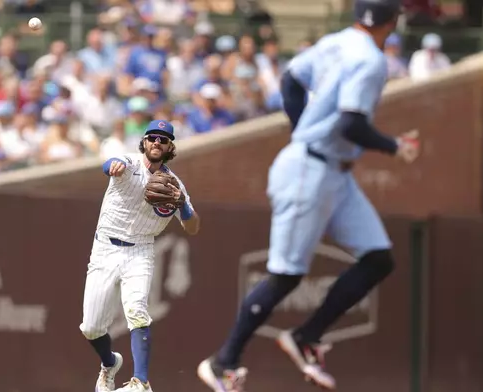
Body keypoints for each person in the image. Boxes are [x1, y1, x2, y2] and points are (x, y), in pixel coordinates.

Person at [196, 0, 421, 390]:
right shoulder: (371, 59)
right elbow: (351, 123)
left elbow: (290, 81)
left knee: (378, 258)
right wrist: (393, 145)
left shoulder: (338, 41)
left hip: (331, 171)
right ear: (391, 21)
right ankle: (222, 362)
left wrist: (304, 129)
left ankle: (306, 336)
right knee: (286, 275)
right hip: (310, 170)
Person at [80, 120, 201, 392]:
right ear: (144, 142)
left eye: (163, 139)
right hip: (106, 248)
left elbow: (193, 228)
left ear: (170, 147)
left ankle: (141, 382)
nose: (157, 142)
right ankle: (110, 363)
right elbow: (109, 163)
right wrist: (112, 166)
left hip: (140, 250)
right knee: (91, 327)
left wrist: (183, 206)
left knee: (137, 311)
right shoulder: (130, 163)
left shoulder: (175, 185)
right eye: (153, 137)